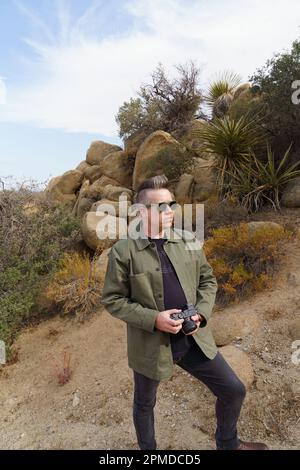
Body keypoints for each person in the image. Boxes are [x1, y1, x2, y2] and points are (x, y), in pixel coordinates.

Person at [101, 174, 269, 451]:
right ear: (142, 212)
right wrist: (154, 319)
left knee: (233, 390)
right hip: (150, 345)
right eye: (161, 206)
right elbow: (113, 299)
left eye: (172, 204)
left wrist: (201, 314)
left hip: (193, 337)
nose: (169, 212)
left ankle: (228, 444)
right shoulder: (123, 250)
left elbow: (208, 280)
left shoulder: (188, 240)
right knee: (145, 404)